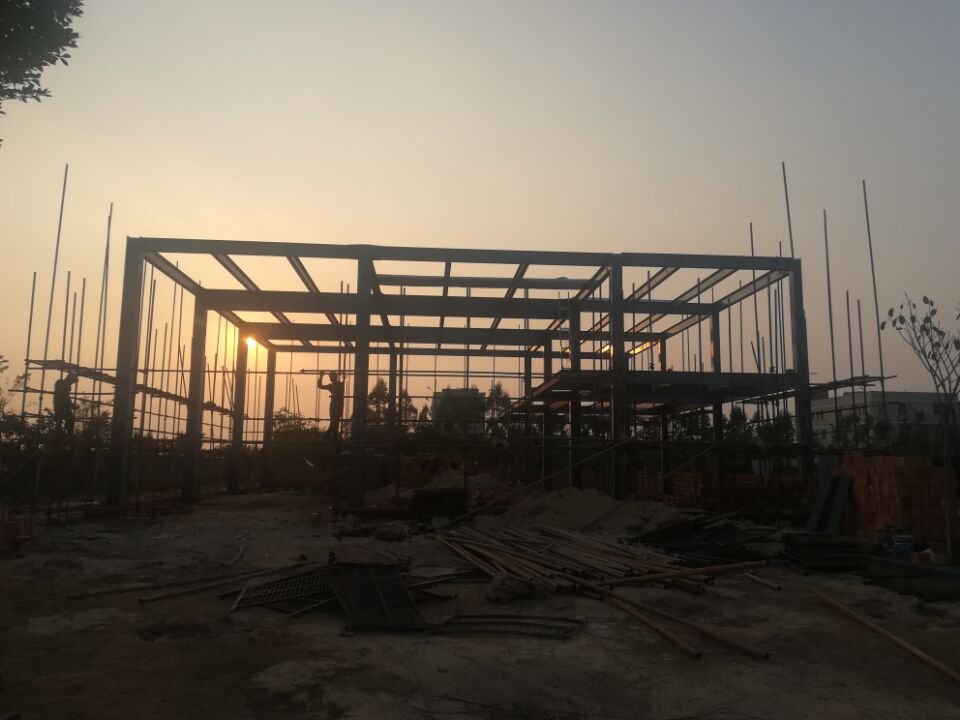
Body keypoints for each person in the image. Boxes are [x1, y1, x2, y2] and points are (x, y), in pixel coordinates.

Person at [317, 371, 345, 439]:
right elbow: (320, 386)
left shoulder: (337, 385)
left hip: (336, 406)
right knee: (334, 422)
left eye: (331, 377)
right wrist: (321, 376)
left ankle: (328, 434)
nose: (330, 378)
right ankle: (332, 436)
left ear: (335, 377)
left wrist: (321, 376)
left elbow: (320, 386)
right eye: (330, 377)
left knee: (334, 421)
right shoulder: (337, 385)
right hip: (335, 405)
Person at [53, 372, 78, 437]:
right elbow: (65, 396)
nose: (71, 383)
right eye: (72, 382)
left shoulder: (62, 384)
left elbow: (66, 397)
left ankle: (67, 435)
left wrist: (72, 405)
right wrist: (72, 405)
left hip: (62, 407)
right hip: (60, 406)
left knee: (69, 419)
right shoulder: (60, 383)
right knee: (62, 421)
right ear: (69, 379)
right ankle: (65, 435)